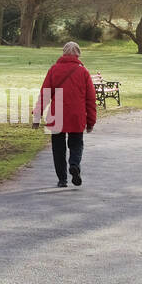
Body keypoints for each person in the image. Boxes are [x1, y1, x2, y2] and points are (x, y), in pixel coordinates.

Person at [32, 41, 97, 187]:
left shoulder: (54, 69)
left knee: (58, 148)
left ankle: (62, 179)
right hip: (77, 114)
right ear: (78, 54)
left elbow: (45, 94)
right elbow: (91, 100)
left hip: (57, 114)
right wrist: (91, 122)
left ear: (63, 53)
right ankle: (74, 164)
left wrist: (37, 116)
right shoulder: (83, 72)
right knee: (76, 144)